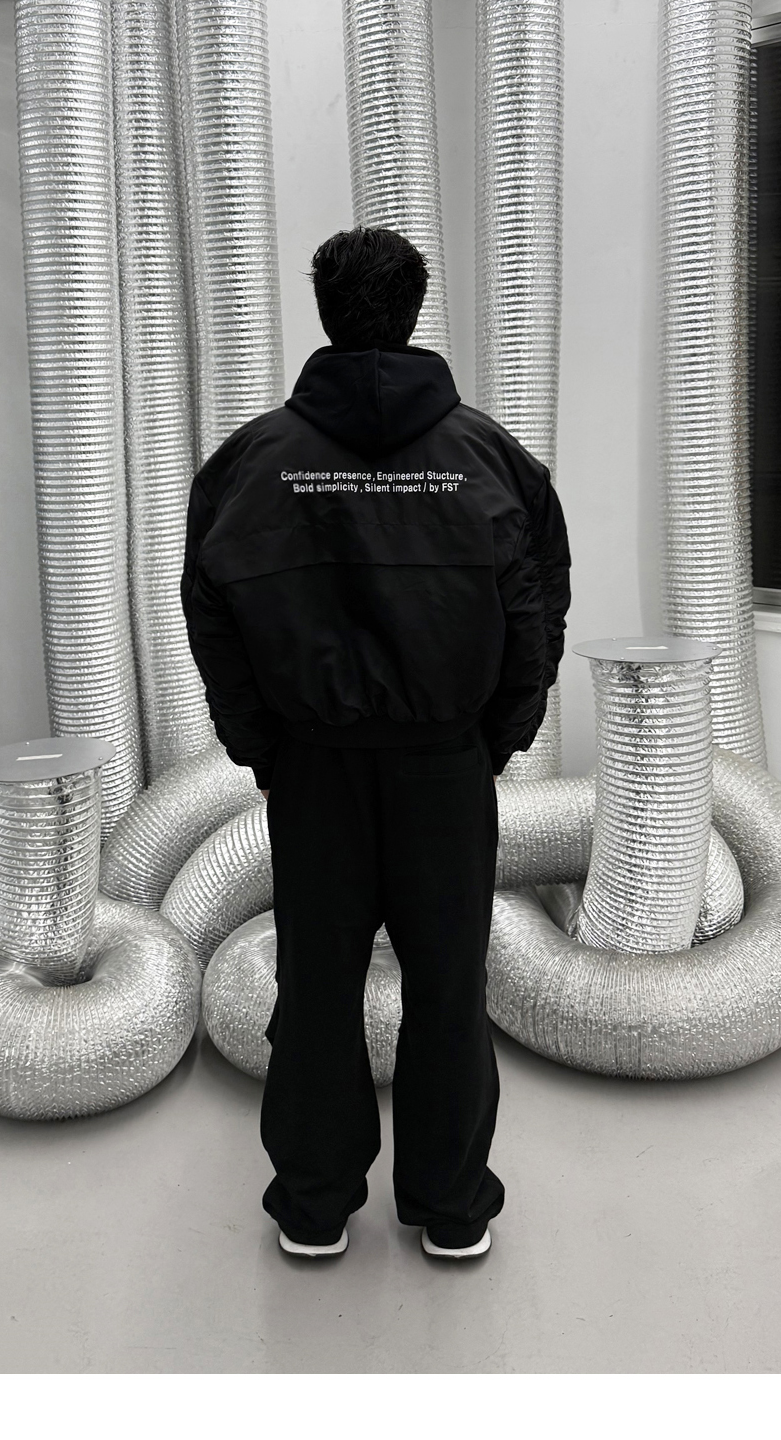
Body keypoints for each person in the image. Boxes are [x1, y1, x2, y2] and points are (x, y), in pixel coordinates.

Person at [181, 217, 572, 1263]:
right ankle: (452, 1210)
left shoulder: (249, 464)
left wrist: (265, 746)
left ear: (324, 312)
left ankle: (314, 1209)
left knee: (316, 986)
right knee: (448, 987)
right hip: (444, 767)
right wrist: (493, 739)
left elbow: (210, 617)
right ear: (412, 311)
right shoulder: (489, 458)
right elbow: (537, 613)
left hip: (315, 769)